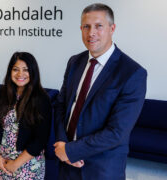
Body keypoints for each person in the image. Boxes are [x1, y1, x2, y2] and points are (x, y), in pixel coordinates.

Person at [54, 3, 147, 180]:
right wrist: (62, 145)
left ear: (112, 28)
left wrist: (71, 151)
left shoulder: (132, 73)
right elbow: (61, 105)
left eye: (99, 26)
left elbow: (116, 132)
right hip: (66, 165)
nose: (91, 33)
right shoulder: (75, 62)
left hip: (101, 170)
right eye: (86, 27)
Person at [0, 52, 52, 179]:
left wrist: (15, 164)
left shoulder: (41, 99)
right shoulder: (2, 94)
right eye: (15, 69)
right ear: (10, 72)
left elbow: (40, 140)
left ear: (33, 72)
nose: (20, 74)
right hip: (3, 164)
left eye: (26, 70)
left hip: (28, 165)